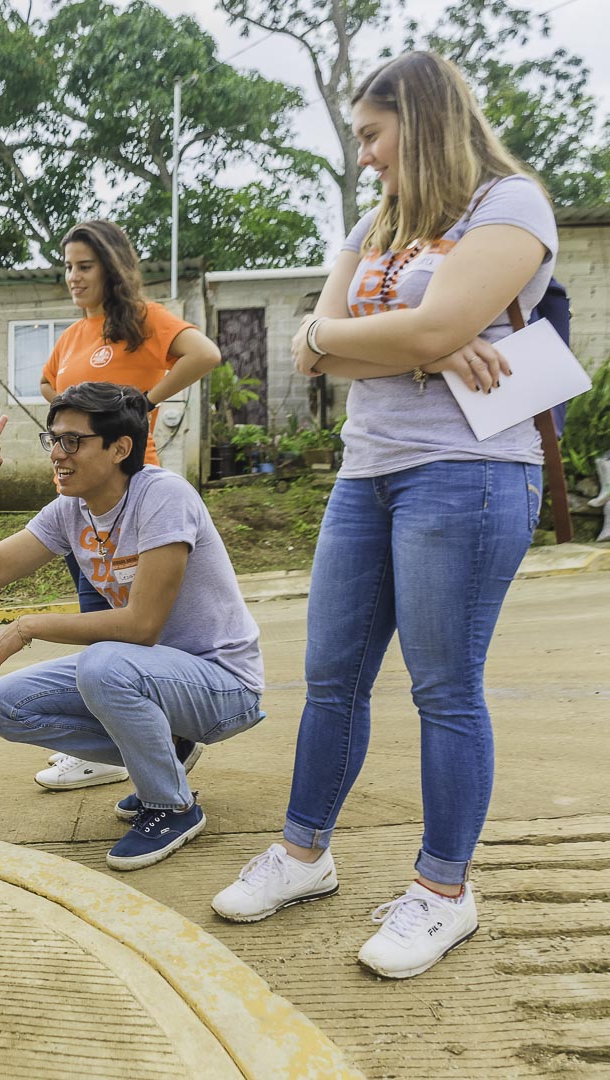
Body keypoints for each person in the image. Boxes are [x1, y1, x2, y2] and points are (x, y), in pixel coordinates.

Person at [211, 51, 558, 981]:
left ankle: (445, 893)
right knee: (331, 677)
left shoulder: (509, 207)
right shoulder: (377, 225)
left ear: (424, 119)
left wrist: (413, 340)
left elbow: (418, 329)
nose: (363, 156)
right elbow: (312, 350)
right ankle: (304, 853)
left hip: (471, 472)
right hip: (368, 473)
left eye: (372, 134)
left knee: (443, 687)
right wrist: (424, 348)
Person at [0, 383, 265, 870]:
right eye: (53, 439)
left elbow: (141, 626)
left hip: (222, 685)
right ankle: (163, 758)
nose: (58, 453)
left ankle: (172, 808)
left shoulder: (163, 495)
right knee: (5, 705)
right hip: (147, 675)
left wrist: (29, 626)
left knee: (103, 662)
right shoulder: (70, 511)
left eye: (73, 441)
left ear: (120, 447)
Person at [34, 219, 222, 793]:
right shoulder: (72, 336)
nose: (73, 277)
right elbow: (50, 389)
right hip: (82, 497)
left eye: (84, 266)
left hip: (138, 491)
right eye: (67, 266)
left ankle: (167, 736)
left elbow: (204, 353)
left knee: (144, 621)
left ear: (111, 267)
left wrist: (144, 400)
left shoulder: (142, 320)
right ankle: (116, 742)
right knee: (96, 609)